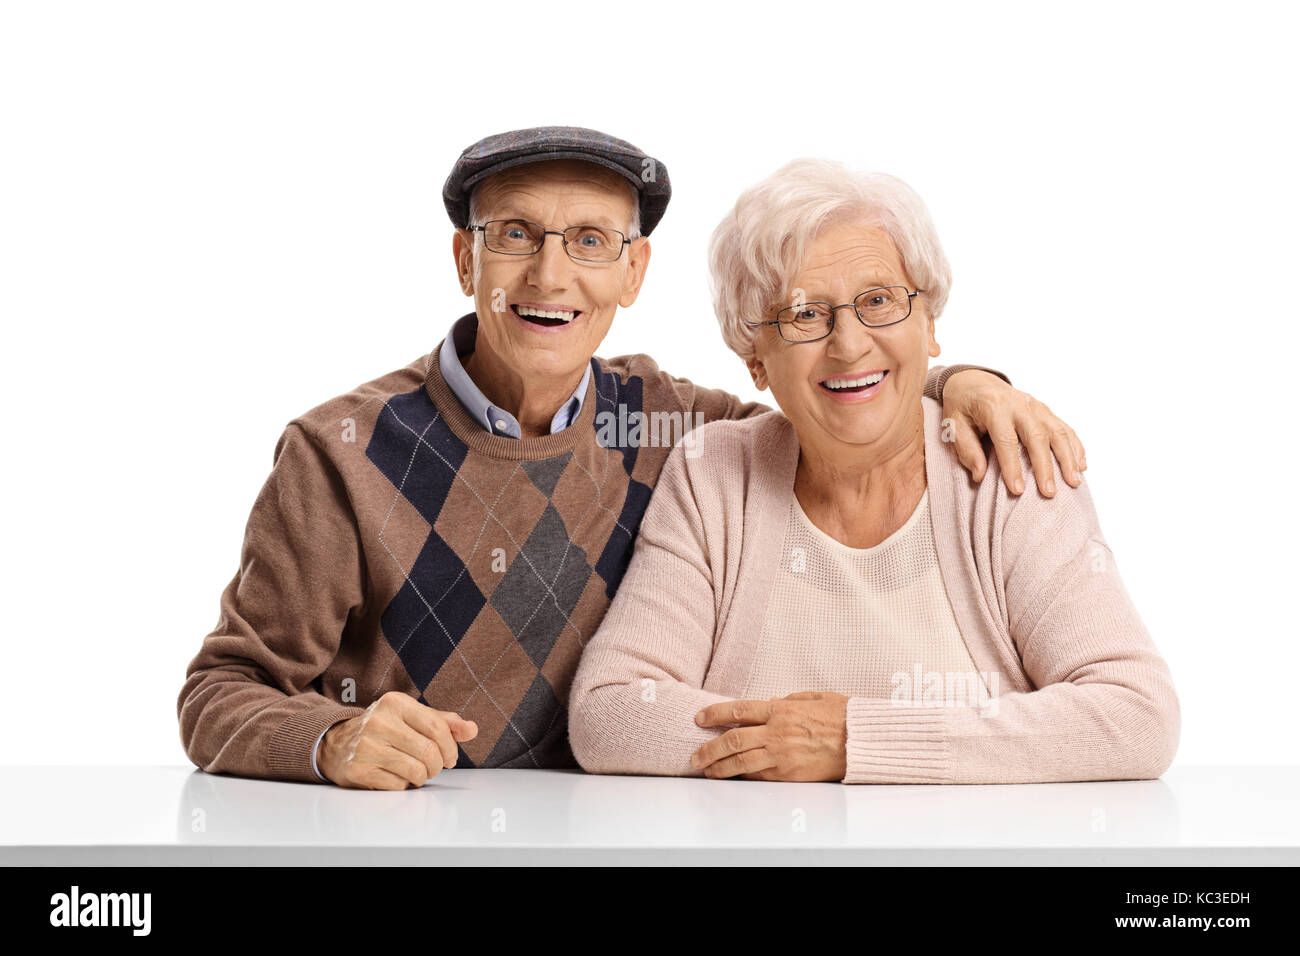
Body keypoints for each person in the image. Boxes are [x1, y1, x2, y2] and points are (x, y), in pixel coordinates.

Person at [179, 128, 1087, 789]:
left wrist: (966, 379)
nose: (549, 276)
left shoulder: (671, 426)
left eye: (589, 242)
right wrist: (329, 741)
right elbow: (219, 690)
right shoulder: (340, 453)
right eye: (515, 236)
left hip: (612, 834)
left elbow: (832, 392)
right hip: (410, 840)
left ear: (633, 273)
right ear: (467, 260)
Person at [568, 159, 1178, 784]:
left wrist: (855, 741)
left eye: (879, 301)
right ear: (756, 361)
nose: (849, 343)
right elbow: (610, 711)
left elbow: (1135, 716)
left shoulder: (1007, 470)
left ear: (930, 323)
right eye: (804, 315)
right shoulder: (715, 472)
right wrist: (794, 741)